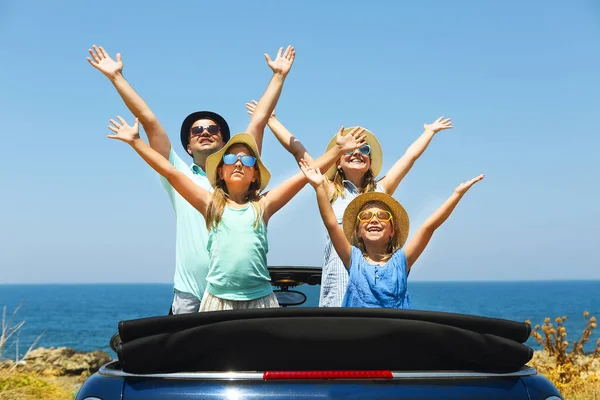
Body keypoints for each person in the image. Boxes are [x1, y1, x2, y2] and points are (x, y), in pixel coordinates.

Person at [87, 44, 295, 313]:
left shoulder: (240, 170)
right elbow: (149, 121)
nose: (204, 132)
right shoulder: (179, 172)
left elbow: (258, 120)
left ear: (226, 142)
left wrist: (278, 76)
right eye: (197, 130)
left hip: (239, 296)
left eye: (213, 129)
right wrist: (117, 78)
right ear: (187, 147)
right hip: (190, 295)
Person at [106, 116, 367, 310]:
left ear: (255, 175)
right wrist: (136, 142)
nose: (239, 163)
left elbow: (303, 176)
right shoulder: (210, 204)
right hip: (216, 301)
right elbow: (171, 172)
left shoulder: (263, 206)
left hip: (261, 300)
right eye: (231, 160)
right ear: (221, 171)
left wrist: (338, 151)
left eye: (248, 160)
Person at [245, 99, 454, 307]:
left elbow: (409, 157)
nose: (356, 153)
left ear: (370, 162)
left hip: (375, 295)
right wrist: (271, 121)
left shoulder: (382, 189)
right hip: (338, 288)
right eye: (349, 151)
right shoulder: (328, 189)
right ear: (337, 162)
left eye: (364, 150)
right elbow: (298, 152)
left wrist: (429, 132)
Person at [300, 159, 484, 308]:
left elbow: (429, 227)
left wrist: (456, 195)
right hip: (356, 338)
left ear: (392, 230)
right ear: (358, 232)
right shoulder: (352, 259)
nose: (373, 220)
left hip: (394, 340)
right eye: (365, 217)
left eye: (382, 216)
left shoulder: (402, 261)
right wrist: (318, 188)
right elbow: (332, 224)